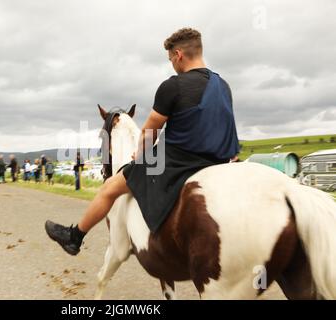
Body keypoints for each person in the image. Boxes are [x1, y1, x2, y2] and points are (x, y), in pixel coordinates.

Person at [45, 28, 240, 256]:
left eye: (170, 59)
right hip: (218, 163)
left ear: (178, 54)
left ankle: (74, 236)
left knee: (109, 188)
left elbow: (149, 132)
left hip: (178, 164)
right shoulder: (223, 86)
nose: (172, 65)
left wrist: (140, 157)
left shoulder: (173, 86)